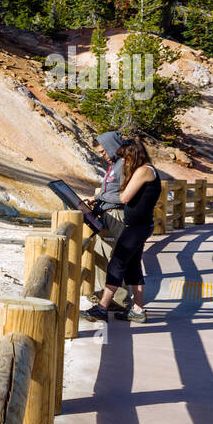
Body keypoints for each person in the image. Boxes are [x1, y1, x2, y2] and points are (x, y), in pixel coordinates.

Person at [84, 139, 161, 324]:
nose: (124, 163)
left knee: (116, 264)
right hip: (139, 225)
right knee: (133, 267)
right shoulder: (147, 170)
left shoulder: (143, 170)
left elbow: (125, 197)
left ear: (133, 155)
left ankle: (102, 308)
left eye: (125, 159)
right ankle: (138, 310)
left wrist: (100, 196)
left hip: (136, 227)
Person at [85, 131, 129, 310]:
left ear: (112, 146)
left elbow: (127, 195)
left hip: (117, 216)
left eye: (103, 151)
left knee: (115, 257)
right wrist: (98, 200)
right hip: (107, 215)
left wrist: (100, 196)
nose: (102, 155)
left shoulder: (126, 165)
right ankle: (106, 294)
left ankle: (120, 300)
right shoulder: (114, 164)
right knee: (101, 255)